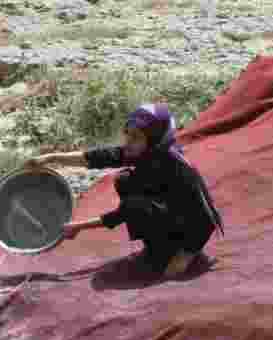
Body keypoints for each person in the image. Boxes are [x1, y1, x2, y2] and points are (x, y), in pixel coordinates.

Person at [24, 103, 224, 278]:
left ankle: (180, 250)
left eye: (135, 137)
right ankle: (158, 247)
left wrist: (187, 253)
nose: (128, 141)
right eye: (127, 133)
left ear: (154, 139)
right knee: (126, 181)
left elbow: (205, 220)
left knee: (135, 206)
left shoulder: (175, 168)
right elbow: (97, 157)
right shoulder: (145, 152)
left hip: (194, 229)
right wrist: (51, 158)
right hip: (170, 211)